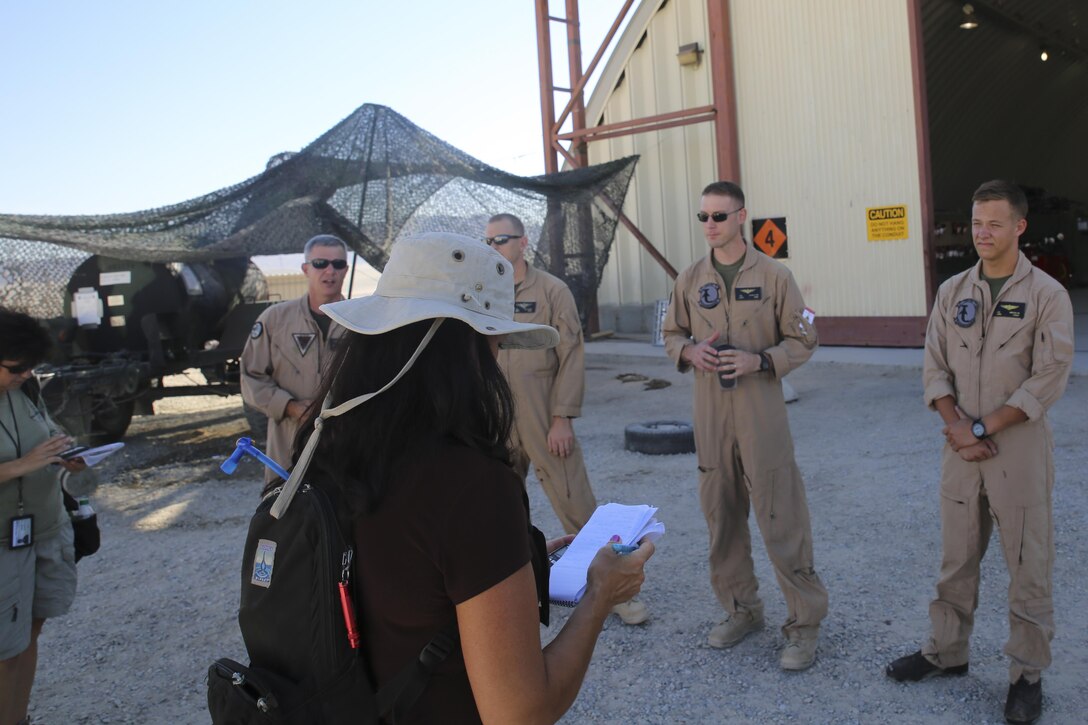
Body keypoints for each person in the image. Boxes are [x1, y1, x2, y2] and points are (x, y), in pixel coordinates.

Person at [279, 231, 654, 723]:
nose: (496, 360)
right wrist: (601, 595)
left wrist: (505, 569)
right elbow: (520, 713)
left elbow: (402, 579)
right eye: (494, 342)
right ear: (464, 352)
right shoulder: (470, 487)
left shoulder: (322, 449)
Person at [886, 180, 1074, 725]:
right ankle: (947, 654)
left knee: (1027, 565)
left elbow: (1050, 375)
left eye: (994, 223)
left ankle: (1026, 675)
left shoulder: (1046, 294)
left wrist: (981, 425)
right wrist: (957, 428)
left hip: (1017, 448)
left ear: (1019, 226)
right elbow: (934, 367)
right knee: (956, 559)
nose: (982, 234)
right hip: (961, 450)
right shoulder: (953, 293)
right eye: (976, 224)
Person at [662, 181, 828, 671]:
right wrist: (689, 351)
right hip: (711, 417)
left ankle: (804, 626)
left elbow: (805, 338)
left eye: (718, 216)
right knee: (722, 518)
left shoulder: (775, 275)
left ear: (741, 217)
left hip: (761, 416)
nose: (710, 225)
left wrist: (761, 361)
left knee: (782, 518)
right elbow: (670, 333)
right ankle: (741, 610)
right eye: (703, 218)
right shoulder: (689, 279)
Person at [484, 213, 647, 626]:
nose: (493, 248)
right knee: (496, 505)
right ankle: (512, 586)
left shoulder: (551, 290)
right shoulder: (484, 292)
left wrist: (562, 418)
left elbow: (571, 355)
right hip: (496, 415)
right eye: (487, 241)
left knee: (575, 501)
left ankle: (615, 588)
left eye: (501, 240)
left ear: (522, 244)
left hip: (542, 411)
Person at [0, 307, 87, 725]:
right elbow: (25, 459)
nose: (23, 375)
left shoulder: (24, 389)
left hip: (44, 531)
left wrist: (62, 454)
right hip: (3, 545)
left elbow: (46, 435)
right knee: (5, 648)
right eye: (15, 368)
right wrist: (21, 465)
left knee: (29, 635)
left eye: (30, 368)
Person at [240, 234, 348, 481]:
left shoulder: (361, 324)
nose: (329, 271)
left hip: (344, 444)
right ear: (306, 269)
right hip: (288, 445)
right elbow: (250, 378)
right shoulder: (274, 320)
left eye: (338, 264)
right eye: (320, 263)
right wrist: (290, 407)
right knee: (287, 512)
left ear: (346, 270)